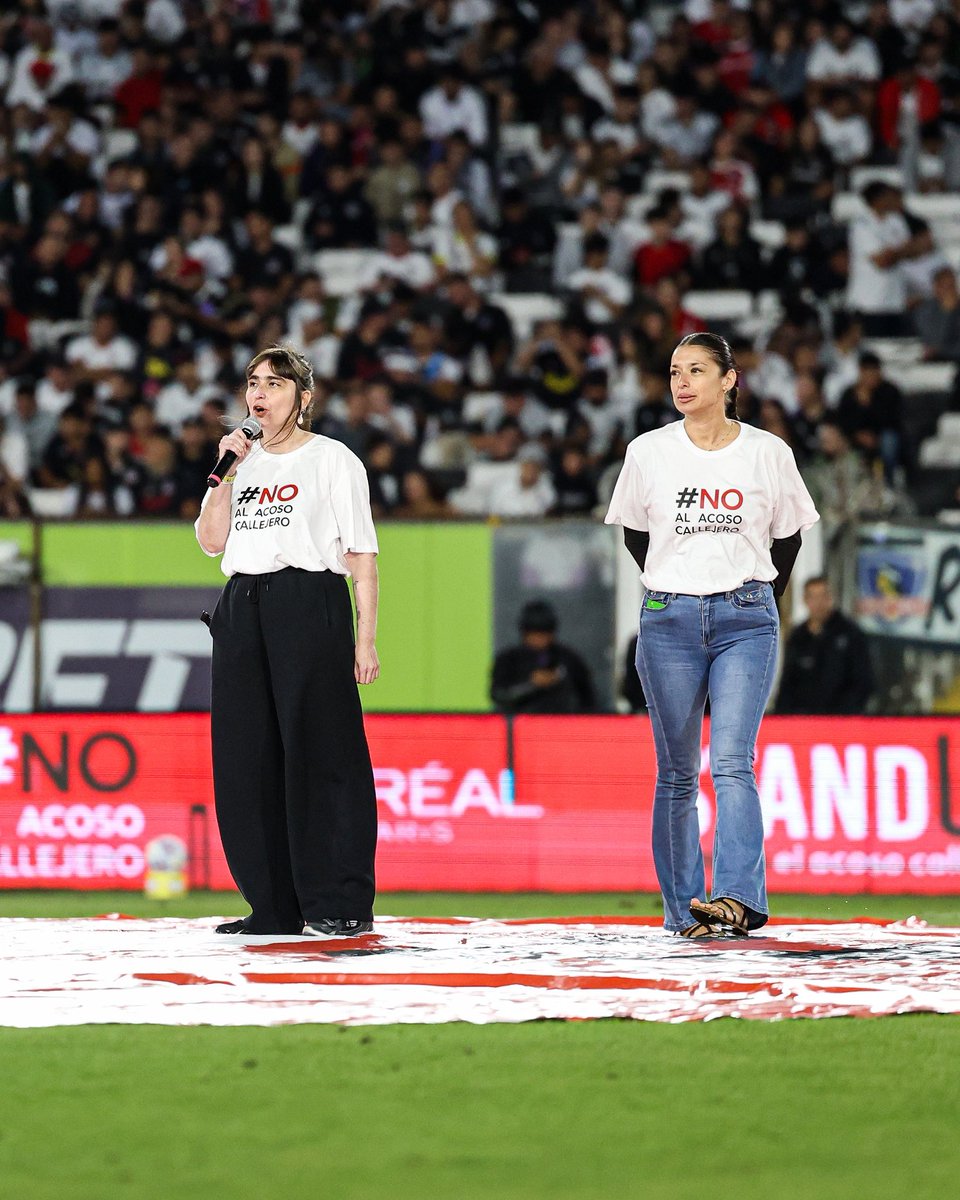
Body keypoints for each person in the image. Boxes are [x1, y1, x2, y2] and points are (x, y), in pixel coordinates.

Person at [604, 332, 819, 939]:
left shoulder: (767, 452)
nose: (682, 382)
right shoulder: (647, 452)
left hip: (745, 618)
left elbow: (788, 537)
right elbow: (636, 535)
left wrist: (756, 593)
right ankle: (684, 914)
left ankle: (736, 900)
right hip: (667, 620)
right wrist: (676, 583)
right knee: (676, 773)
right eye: (675, 371)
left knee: (731, 762)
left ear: (729, 380)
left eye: (696, 370)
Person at [195, 344, 380, 939]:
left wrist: (365, 640)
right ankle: (272, 905)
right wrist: (225, 473)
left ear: (303, 398)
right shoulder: (239, 462)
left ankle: (338, 901)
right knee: (245, 759)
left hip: (308, 599)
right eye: (253, 382)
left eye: (275, 383)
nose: (259, 393)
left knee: (323, 753)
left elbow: (362, 557)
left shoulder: (332, 459)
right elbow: (210, 541)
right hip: (242, 605)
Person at [775, 577, 874, 715]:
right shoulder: (798, 637)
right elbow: (788, 682)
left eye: (823, 596)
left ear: (831, 598)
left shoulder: (850, 633)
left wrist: (846, 713)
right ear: (805, 600)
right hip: (802, 719)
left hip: (841, 718)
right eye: (813, 597)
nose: (819, 603)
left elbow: (863, 680)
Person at [490, 600, 596, 714]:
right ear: (524, 634)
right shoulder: (509, 659)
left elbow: (588, 699)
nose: (539, 640)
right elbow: (499, 695)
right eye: (534, 634)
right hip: (521, 721)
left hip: (562, 722)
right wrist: (531, 685)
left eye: (544, 634)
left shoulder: (568, 659)